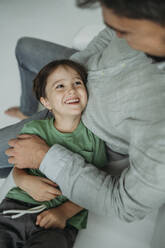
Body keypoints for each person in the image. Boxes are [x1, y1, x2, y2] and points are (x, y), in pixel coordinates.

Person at [0, 0, 165, 247]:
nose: (117, 35)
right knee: (25, 47)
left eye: (126, 31)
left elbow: (122, 201)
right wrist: (70, 73)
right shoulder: (129, 28)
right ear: (45, 101)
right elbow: (109, 34)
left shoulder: (155, 125)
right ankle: (27, 109)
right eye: (113, 25)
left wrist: (45, 159)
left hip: (82, 122)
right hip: (81, 70)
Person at [0, 59, 108, 248]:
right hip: (16, 207)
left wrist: (64, 212)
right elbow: (18, 169)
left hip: (59, 222)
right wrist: (26, 181)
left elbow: (96, 189)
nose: (72, 90)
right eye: (60, 86)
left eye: (77, 83)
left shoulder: (94, 138)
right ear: (46, 102)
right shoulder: (34, 129)